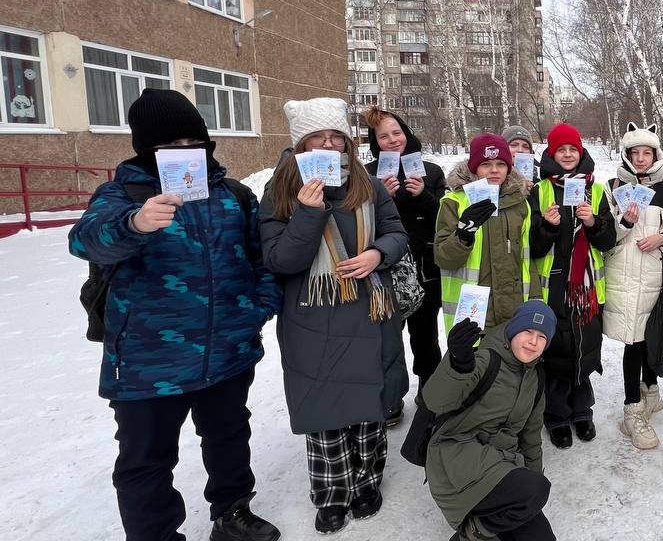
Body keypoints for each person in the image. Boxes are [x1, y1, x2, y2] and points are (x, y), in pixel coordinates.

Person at [69, 89, 281, 541]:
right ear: (147, 152)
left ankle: (232, 513)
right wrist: (136, 224)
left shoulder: (234, 195)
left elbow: (261, 260)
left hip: (228, 349)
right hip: (151, 360)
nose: (186, 155)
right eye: (171, 147)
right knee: (146, 458)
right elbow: (86, 240)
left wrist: (258, 310)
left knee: (228, 437)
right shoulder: (122, 196)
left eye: (194, 144)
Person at [258, 97, 409, 535]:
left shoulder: (365, 182)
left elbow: (396, 232)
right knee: (324, 410)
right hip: (313, 316)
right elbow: (280, 260)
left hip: (369, 307)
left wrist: (377, 254)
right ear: (301, 144)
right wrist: (309, 211)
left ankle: (366, 482)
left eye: (336, 136)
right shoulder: (281, 190)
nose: (329, 145)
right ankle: (330, 494)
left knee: (369, 407)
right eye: (318, 137)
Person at [425, 302, 558, 541]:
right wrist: (457, 363)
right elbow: (435, 400)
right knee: (536, 490)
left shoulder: (535, 379)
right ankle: (473, 533)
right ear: (513, 329)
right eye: (527, 331)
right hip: (456, 459)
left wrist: (528, 500)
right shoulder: (485, 360)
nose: (533, 341)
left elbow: (530, 438)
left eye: (542, 336)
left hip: (500, 466)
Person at [529, 123, 617, 449]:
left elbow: (608, 239)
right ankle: (556, 417)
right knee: (555, 352)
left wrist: (593, 222)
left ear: (580, 153)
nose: (567, 155)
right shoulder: (538, 191)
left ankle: (583, 411)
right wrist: (548, 227)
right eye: (561, 150)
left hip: (588, 287)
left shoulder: (595, 189)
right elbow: (533, 246)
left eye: (572, 150)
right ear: (551, 154)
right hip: (552, 286)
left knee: (585, 346)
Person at [363, 107, 447, 426]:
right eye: (383, 135)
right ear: (375, 141)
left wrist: (423, 195)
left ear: (406, 133)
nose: (392, 140)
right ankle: (391, 396)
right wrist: (378, 197)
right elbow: (357, 223)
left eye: (396, 132)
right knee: (387, 339)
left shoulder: (431, 171)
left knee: (425, 337)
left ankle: (431, 388)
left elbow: (445, 218)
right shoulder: (367, 174)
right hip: (385, 271)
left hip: (425, 268)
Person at [603, 122, 663, 450]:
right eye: (636, 152)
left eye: (648, 152)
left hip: (653, 275)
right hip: (623, 275)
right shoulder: (612, 185)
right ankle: (633, 409)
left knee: (650, 338)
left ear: (657, 155)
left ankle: (652, 393)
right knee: (633, 342)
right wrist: (626, 223)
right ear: (627, 154)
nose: (642, 158)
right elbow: (605, 238)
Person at [434, 133, 539, 330]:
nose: (494, 170)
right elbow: (443, 258)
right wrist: (463, 235)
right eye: (486, 164)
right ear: (474, 168)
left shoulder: (520, 203)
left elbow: (526, 258)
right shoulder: (454, 202)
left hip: (514, 304)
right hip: (473, 310)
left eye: (500, 164)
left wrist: (535, 300)